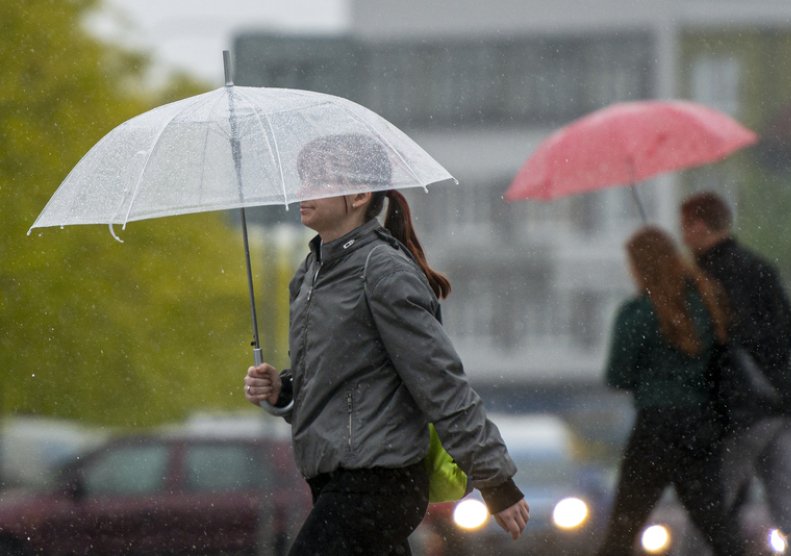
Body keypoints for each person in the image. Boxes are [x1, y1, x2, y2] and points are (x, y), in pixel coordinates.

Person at [243, 133, 529, 556]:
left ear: (359, 193)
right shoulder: (309, 273)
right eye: (303, 178)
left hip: (379, 480)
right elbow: (335, 382)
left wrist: (495, 480)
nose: (302, 191)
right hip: (331, 478)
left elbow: (440, 380)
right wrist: (283, 389)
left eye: (319, 179)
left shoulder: (382, 270)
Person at [680, 191, 791, 556]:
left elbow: (708, 347)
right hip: (789, 402)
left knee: (709, 507)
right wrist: (770, 366)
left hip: (745, 412)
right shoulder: (759, 266)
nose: (682, 236)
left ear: (698, 225)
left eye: (685, 227)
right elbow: (790, 328)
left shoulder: (705, 280)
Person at [596, 227, 744, 556]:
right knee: (718, 527)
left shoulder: (635, 314)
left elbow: (617, 376)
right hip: (699, 426)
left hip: (654, 428)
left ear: (640, 266)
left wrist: (648, 376)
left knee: (623, 529)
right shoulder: (705, 303)